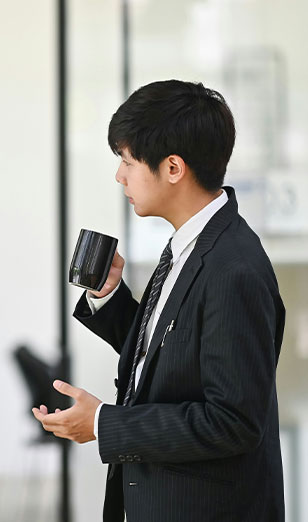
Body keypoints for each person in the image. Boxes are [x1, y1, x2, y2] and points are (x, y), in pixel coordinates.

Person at [32, 80, 285, 521]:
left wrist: (102, 423)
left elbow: (233, 422)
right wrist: (109, 296)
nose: (120, 176)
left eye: (128, 161)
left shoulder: (233, 268)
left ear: (172, 168)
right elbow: (172, 353)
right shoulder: (189, 244)